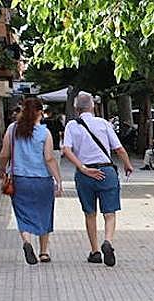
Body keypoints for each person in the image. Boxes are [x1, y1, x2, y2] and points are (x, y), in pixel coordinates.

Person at [61, 92, 134, 266]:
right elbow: (119, 148)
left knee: (90, 214)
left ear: (76, 108)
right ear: (93, 106)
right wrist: (127, 165)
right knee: (109, 214)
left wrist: (82, 167)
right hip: (106, 171)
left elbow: (66, 150)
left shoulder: (71, 125)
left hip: (85, 174)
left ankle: (95, 251)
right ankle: (108, 241)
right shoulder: (103, 124)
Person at [0, 97, 63, 265]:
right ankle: (44, 252)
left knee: (22, 213)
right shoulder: (44, 132)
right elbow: (49, 158)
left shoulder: (12, 129)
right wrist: (58, 179)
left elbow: (4, 154)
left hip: (20, 180)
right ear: (40, 112)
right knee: (44, 213)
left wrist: (1, 170)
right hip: (42, 180)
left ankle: (27, 242)